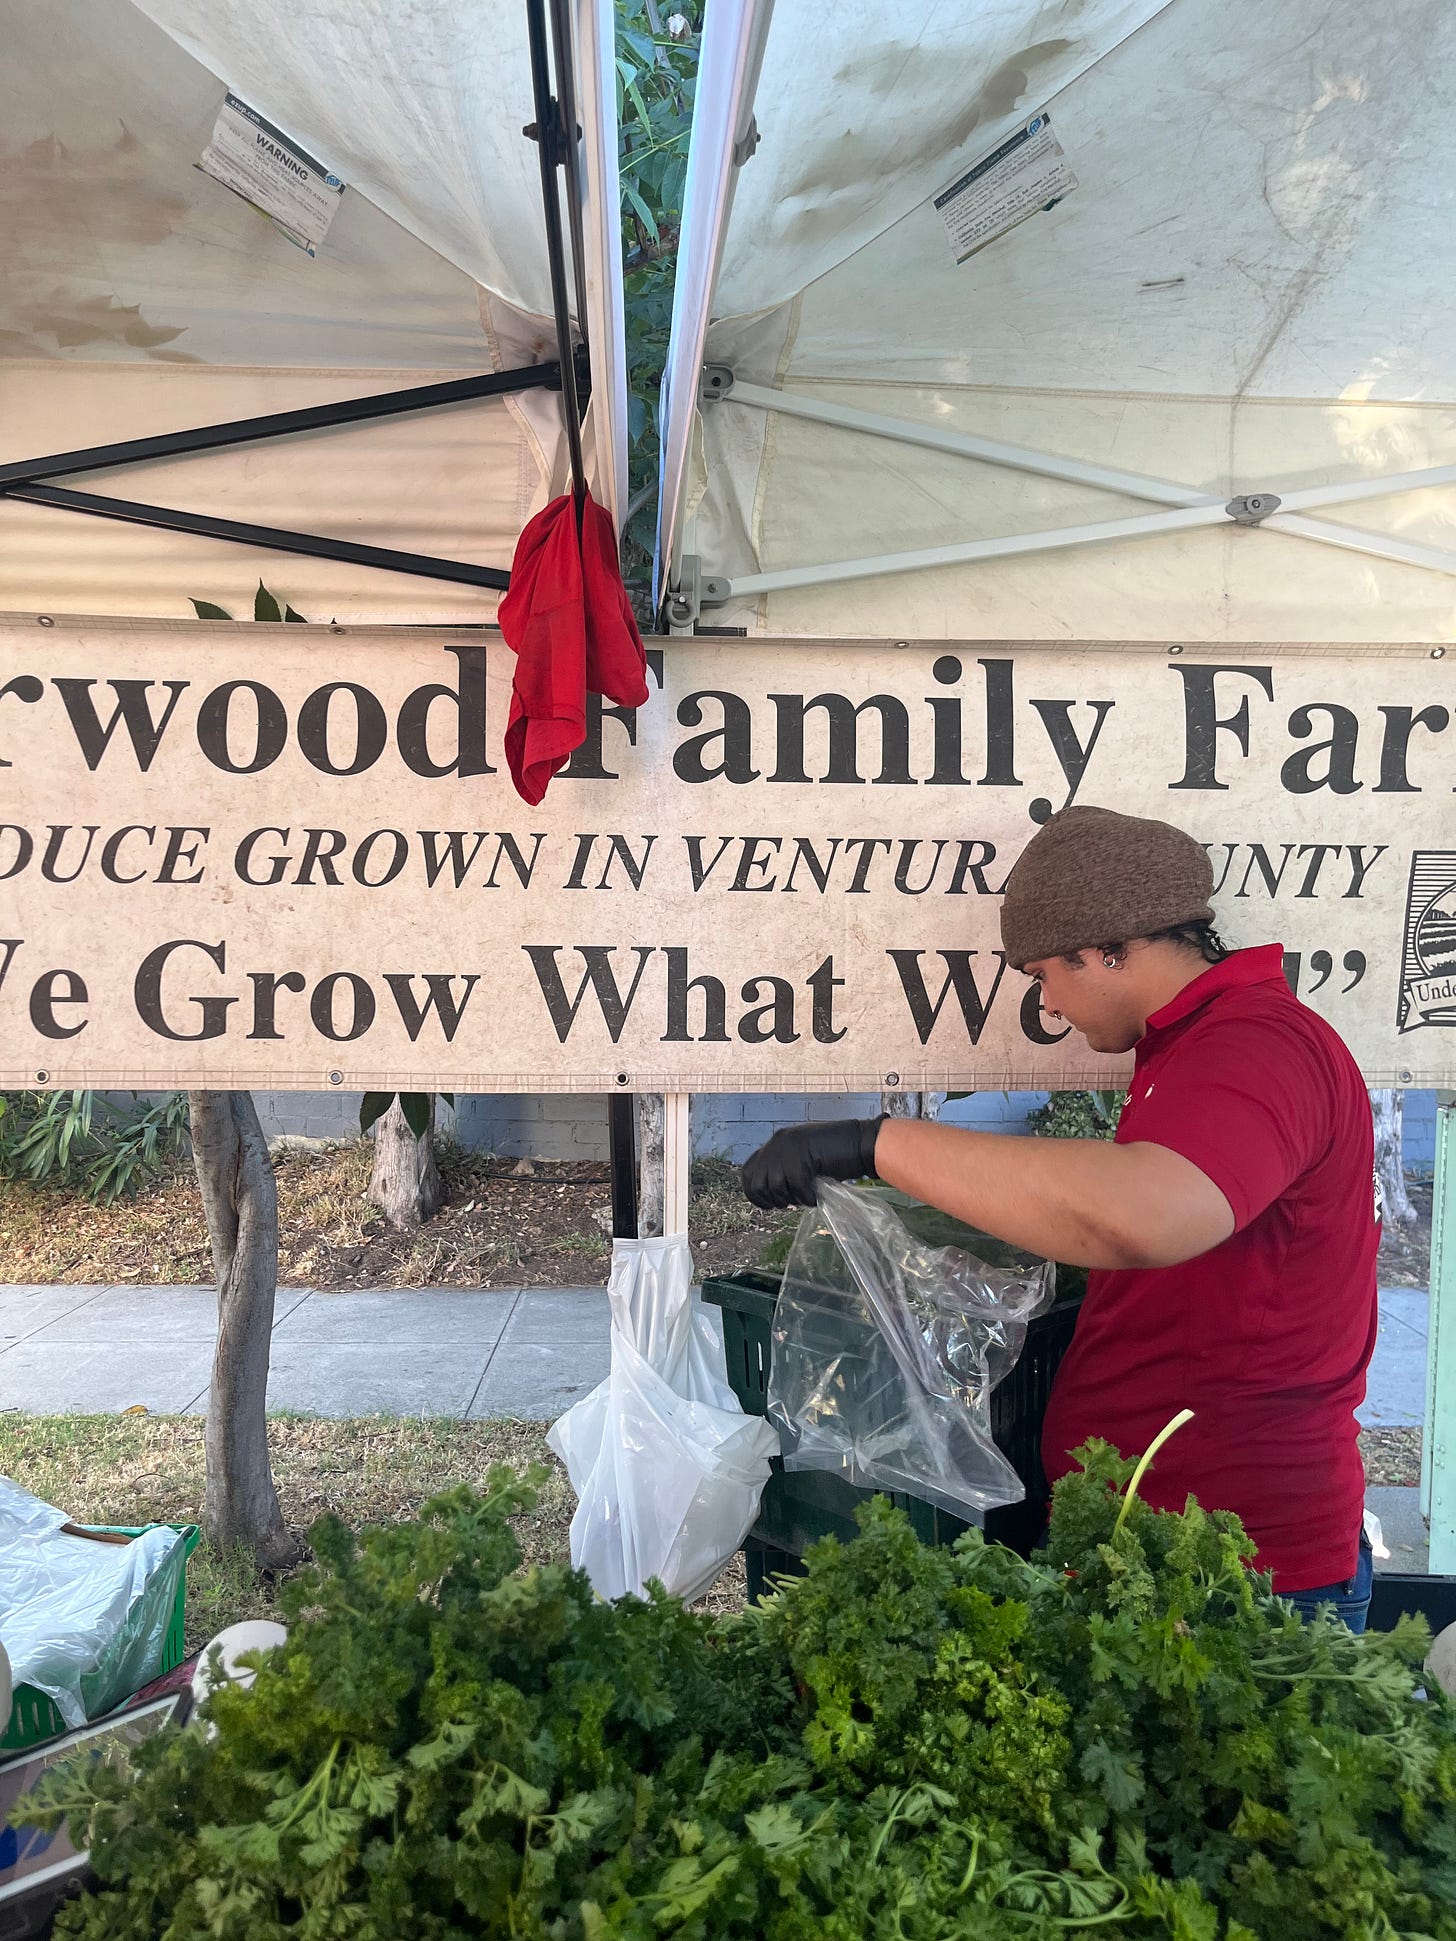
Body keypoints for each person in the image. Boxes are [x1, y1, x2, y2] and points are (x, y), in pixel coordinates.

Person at [740, 804, 1380, 1630]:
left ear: (1106, 948)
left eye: (1047, 974)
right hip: (1154, 1545)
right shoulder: (1189, 1050)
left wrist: (874, 1143)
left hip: (1239, 1570)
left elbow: (1139, 1213)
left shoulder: (1257, 1045)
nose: (1050, 1005)